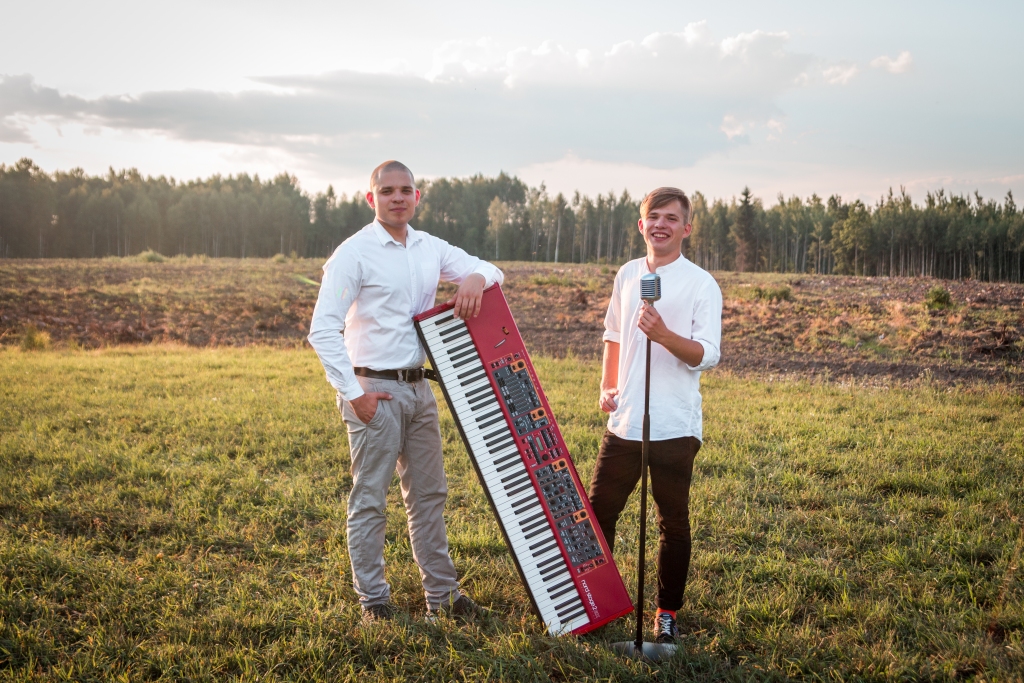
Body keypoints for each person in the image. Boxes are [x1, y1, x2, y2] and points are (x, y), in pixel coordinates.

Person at [307, 160, 503, 624]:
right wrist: (354, 393)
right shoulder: (353, 254)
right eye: (388, 190)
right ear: (371, 198)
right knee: (371, 497)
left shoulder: (428, 247)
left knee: (429, 496)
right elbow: (323, 330)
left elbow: (490, 270)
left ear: (418, 196)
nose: (398, 197)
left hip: (419, 390)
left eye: (406, 190)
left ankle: (444, 598)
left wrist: (474, 277)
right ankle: (374, 601)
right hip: (373, 389)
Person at [588, 187, 722, 644]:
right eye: (653, 217)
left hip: (674, 424)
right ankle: (596, 605)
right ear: (641, 225)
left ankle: (666, 615)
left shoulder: (701, 283)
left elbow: (707, 354)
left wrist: (663, 334)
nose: (661, 224)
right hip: (624, 422)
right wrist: (609, 386)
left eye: (671, 218)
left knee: (673, 523)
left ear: (686, 228)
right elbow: (613, 335)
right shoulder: (627, 274)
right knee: (598, 514)